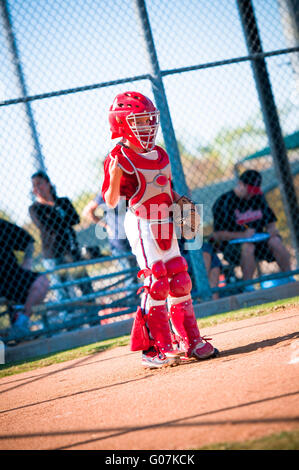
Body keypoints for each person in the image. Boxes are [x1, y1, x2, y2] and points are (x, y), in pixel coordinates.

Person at [101, 91, 218, 368]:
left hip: (165, 220)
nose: (147, 127)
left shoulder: (160, 153)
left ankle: (189, 340)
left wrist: (178, 200)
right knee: (156, 281)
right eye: (139, 121)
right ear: (122, 124)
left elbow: (163, 187)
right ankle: (153, 349)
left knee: (179, 278)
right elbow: (110, 199)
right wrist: (116, 176)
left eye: (149, 120)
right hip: (141, 222)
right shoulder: (119, 156)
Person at [211, 169, 293, 290]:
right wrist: (242, 235)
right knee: (248, 246)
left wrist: (272, 231)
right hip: (233, 247)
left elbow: (270, 223)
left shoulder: (258, 197)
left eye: (254, 191)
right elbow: (217, 235)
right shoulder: (224, 202)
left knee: (275, 241)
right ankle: (248, 287)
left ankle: (289, 278)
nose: (251, 194)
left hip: (260, 241)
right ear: (240, 184)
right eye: (249, 190)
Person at [29, 171, 94, 302]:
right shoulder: (35, 209)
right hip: (53, 254)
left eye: (40, 184)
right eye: (34, 186)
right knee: (63, 292)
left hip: (71, 250)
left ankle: (93, 319)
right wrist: (62, 219)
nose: (37, 188)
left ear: (48, 184)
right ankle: (70, 318)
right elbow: (46, 226)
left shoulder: (62, 201)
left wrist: (56, 219)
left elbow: (75, 219)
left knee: (85, 286)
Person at [0, 219, 49, 338]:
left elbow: (28, 241)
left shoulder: (1, 225)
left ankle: (21, 322)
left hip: (10, 276)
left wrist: (27, 261)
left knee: (41, 282)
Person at [82, 191, 138, 285]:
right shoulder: (107, 191)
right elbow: (87, 212)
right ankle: (134, 298)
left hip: (136, 236)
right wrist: (106, 225)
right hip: (119, 241)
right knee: (130, 276)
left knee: (143, 270)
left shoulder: (130, 186)